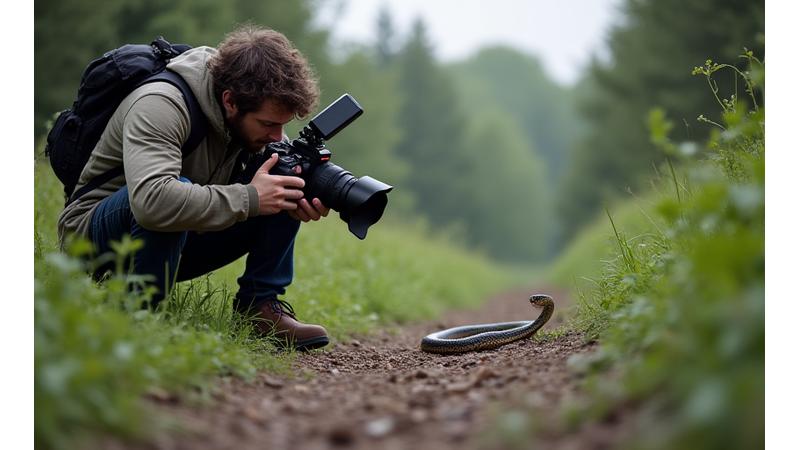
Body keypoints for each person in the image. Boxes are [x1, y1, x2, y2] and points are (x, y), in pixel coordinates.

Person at [56, 26, 331, 351]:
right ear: (230, 101)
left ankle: (258, 310)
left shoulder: (250, 120)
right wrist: (250, 198)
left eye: (283, 125)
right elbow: (152, 202)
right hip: (94, 240)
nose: (277, 135)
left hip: (172, 239)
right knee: (171, 196)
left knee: (287, 176)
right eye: (269, 124)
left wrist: (305, 191)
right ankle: (139, 318)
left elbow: (274, 175)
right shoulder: (162, 104)